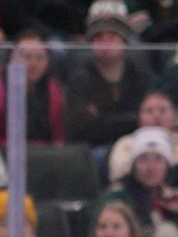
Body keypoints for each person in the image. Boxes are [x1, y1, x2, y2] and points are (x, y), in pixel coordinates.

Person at [65, 8, 153, 149]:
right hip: (94, 150)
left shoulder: (141, 77)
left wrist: (103, 118)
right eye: (98, 38)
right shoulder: (79, 80)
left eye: (112, 37)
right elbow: (81, 128)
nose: (106, 44)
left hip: (137, 146)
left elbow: (150, 119)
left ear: (123, 41)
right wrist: (133, 119)